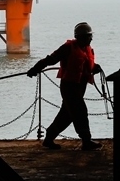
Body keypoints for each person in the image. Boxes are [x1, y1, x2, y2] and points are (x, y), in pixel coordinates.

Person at [27, 22, 103, 150]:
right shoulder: (67, 48)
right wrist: (35, 69)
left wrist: (95, 67)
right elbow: (51, 59)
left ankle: (49, 139)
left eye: (90, 36)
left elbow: (85, 65)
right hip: (69, 87)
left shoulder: (86, 49)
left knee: (66, 115)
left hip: (80, 87)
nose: (90, 38)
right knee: (80, 111)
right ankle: (86, 141)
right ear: (79, 37)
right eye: (88, 36)